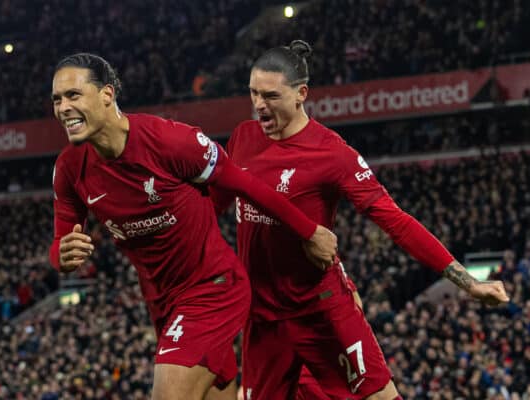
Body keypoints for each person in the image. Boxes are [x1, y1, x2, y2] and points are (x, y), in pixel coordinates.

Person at [211, 40, 509, 400]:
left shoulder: (332, 153)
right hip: (264, 320)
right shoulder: (243, 137)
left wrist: (467, 282)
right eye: (253, 93)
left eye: (271, 96)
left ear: (301, 93)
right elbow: (215, 203)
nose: (259, 105)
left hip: (320, 310)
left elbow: (395, 220)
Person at [48, 53, 338, 400]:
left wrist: (309, 231)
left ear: (107, 94)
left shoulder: (169, 141)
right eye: (57, 99)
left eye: (73, 96)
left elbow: (244, 184)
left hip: (212, 288)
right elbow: (60, 244)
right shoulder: (69, 170)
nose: (63, 107)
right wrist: (61, 256)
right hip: (162, 304)